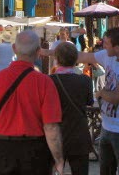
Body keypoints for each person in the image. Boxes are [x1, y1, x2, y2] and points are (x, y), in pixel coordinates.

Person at [0, 30, 64, 175]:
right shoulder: (44, 82)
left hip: (5, 149)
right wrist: (59, 159)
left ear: (14, 48)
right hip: (35, 151)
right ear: (38, 52)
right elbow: (51, 127)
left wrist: (0, 141)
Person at [77, 27, 119, 175]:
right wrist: (50, 52)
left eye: (106, 43)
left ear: (117, 47)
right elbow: (83, 56)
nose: (103, 46)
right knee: (106, 171)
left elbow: (115, 97)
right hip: (107, 127)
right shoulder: (108, 56)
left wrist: (101, 92)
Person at [51, 42, 94, 175]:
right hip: (79, 134)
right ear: (76, 60)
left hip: (55, 135)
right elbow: (89, 102)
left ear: (57, 59)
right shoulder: (85, 80)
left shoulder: (48, 80)